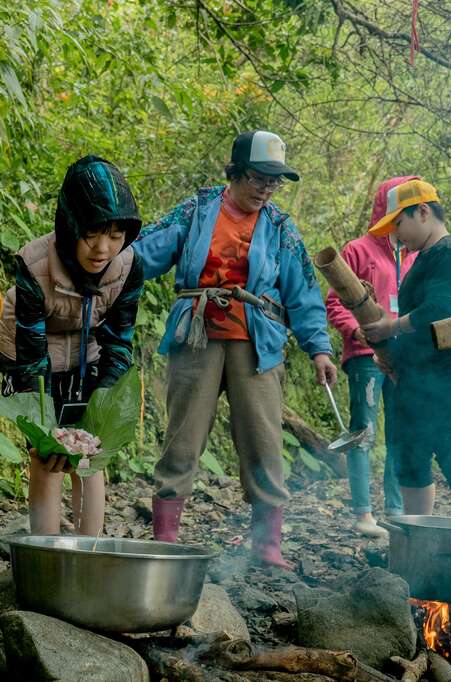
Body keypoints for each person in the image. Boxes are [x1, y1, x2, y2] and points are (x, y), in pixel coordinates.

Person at [135, 130, 336, 569]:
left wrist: (319, 348)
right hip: (197, 336)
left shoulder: (281, 228)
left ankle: (267, 546)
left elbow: (303, 291)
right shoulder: (197, 210)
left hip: (257, 342)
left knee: (263, 442)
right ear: (237, 172)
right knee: (183, 439)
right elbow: (146, 251)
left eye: (275, 181)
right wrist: (108, 263)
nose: (267, 188)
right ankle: (166, 539)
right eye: (259, 178)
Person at [0, 155, 144, 537]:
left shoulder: (129, 267)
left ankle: (88, 554)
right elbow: (31, 354)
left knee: (89, 458)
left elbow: (119, 342)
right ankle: (45, 557)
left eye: (115, 235)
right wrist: (48, 430)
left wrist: (100, 414)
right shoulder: (33, 264)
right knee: (47, 459)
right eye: (92, 232)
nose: (103, 248)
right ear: (70, 225)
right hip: (29, 354)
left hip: (86, 349)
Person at [361, 179, 451, 519]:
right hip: (417, 381)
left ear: (423, 212)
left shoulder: (448, 253)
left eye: (399, 223)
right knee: (410, 460)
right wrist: (393, 353)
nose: (396, 235)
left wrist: (391, 327)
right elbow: (421, 328)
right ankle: (416, 548)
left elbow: (439, 312)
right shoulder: (425, 258)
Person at [325, 177, 418, 537]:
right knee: (363, 431)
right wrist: (354, 330)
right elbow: (335, 301)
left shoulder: (414, 253)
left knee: (400, 431)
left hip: (403, 357)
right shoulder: (358, 250)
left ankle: (394, 512)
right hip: (364, 354)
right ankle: (363, 516)